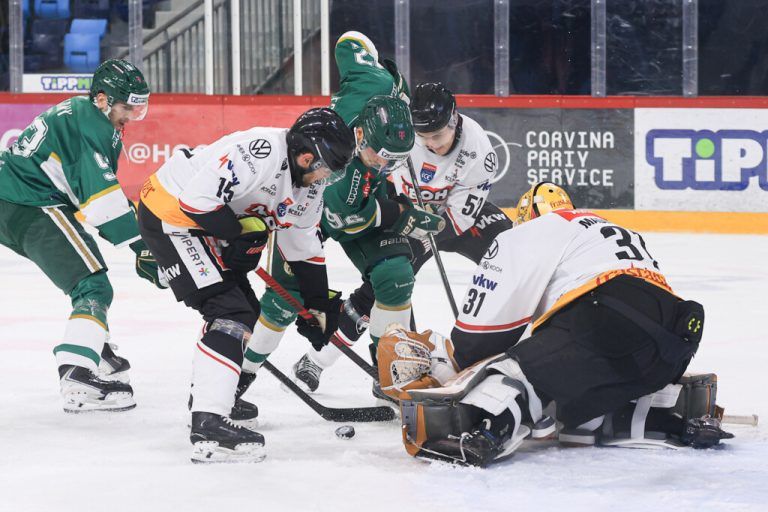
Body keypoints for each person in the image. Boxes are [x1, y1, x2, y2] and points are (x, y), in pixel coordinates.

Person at [376, 181, 733, 466]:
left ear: (526, 217)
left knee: (515, 373)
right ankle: (665, 411)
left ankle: (487, 429)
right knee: (572, 407)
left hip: (605, 316)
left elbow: (477, 340)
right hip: (674, 337)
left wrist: (449, 367)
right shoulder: (600, 230)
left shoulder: (530, 232)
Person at [136, 107, 355, 463]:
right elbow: (196, 202)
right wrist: (240, 233)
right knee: (229, 311)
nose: (325, 177)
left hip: (204, 226)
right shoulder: (260, 151)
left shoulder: (308, 187)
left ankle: (211, 394)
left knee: (247, 312)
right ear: (305, 155)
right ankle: (207, 420)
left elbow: (302, 245)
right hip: (171, 216)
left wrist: (318, 306)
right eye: (325, 168)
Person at [236, 32, 444, 396]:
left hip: (362, 200)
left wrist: (390, 79)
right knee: (287, 299)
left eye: (395, 160)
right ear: (361, 135)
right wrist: (401, 214)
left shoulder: (375, 89)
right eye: (382, 157)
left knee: (395, 273)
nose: (387, 166)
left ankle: (390, 374)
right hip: (307, 206)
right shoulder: (342, 177)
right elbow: (349, 218)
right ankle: (240, 374)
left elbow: (350, 42)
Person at [291, 82, 515, 392]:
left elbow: (462, 215)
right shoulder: (402, 134)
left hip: (451, 217)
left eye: (437, 136)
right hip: (407, 213)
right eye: (423, 137)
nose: (430, 144)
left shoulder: (479, 151)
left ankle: (516, 345)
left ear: (453, 120)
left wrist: (427, 229)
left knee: (509, 248)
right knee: (386, 283)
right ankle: (318, 360)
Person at [0, 59, 165, 413]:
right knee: (93, 286)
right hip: (28, 203)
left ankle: (95, 347)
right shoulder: (90, 124)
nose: (132, 117)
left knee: (84, 269)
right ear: (103, 99)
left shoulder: (82, 110)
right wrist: (144, 247)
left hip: (17, 199)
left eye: (139, 108)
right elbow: (100, 201)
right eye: (126, 108)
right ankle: (77, 373)